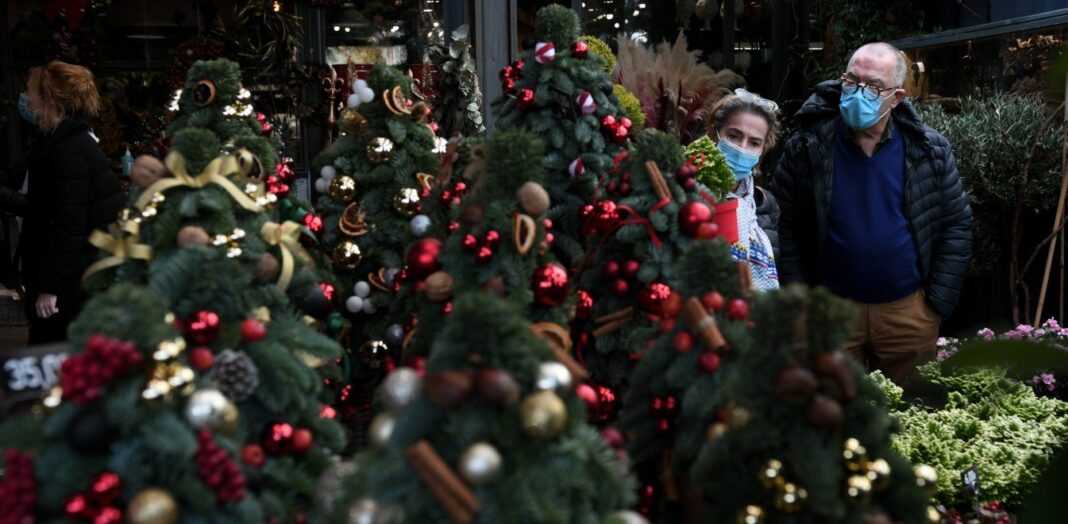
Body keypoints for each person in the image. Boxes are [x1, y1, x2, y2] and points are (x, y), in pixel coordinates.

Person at [771, 42, 972, 384]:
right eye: (852, 81)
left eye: (874, 86)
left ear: (897, 97)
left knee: (914, 406)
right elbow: (782, 224)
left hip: (908, 313)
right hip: (830, 311)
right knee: (833, 406)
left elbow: (956, 224)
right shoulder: (808, 146)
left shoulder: (928, 149)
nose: (859, 93)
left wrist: (937, 302)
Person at [18, 61, 124, 344]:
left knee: (54, 354)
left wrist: (51, 287)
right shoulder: (61, 140)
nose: (27, 98)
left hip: (69, 283)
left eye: (31, 91)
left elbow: (69, 224)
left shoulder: (69, 148)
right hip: (71, 276)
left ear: (50, 98)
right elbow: (47, 208)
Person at [709, 88, 781, 292]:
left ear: (763, 150)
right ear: (715, 134)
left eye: (754, 143)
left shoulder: (763, 204)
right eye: (733, 136)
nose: (742, 148)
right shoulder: (684, 191)